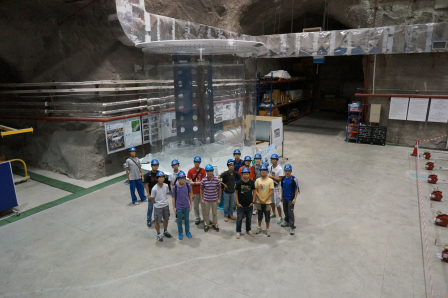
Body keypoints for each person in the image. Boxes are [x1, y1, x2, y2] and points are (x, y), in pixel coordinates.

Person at [150, 171, 172, 242]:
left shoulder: (166, 186)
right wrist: (157, 203)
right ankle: (158, 234)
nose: (161, 179)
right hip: (158, 207)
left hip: (166, 205)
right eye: (160, 178)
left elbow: (166, 193)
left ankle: (165, 231)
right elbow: (152, 198)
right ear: (157, 179)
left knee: (166, 219)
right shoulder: (154, 189)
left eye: (162, 177)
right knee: (157, 221)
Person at [235, 167, 256, 239]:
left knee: (249, 218)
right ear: (242, 175)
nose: (246, 175)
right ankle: (238, 231)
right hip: (241, 205)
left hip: (249, 204)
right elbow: (236, 193)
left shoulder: (251, 182)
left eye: (247, 174)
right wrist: (237, 202)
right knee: (239, 218)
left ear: (249, 174)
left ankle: (248, 230)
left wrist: (253, 201)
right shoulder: (238, 183)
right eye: (244, 174)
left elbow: (254, 192)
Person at [172, 171, 193, 240]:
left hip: (186, 206)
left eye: (183, 178)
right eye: (180, 179)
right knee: (179, 221)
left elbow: (190, 194)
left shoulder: (188, 185)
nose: (182, 180)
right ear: (178, 179)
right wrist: (174, 207)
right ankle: (180, 232)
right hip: (179, 207)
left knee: (187, 220)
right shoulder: (175, 187)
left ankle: (187, 232)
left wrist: (191, 204)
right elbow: (173, 197)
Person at [254, 164, 274, 237]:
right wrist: (260, 198)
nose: (263, 171)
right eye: (262, 170)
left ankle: (267, 229)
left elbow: (271, 191)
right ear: (260, 171)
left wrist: (265, 199)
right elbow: (255, 190)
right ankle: (259, 227)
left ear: (266, 171)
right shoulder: (257, 180)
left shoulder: (270, 180)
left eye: (264, 170)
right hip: (259, 202)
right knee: (259, 215)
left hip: (267, 202)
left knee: (267, 216)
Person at [201, 164, 221, 232]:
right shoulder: (204, 180)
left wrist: (219, 198)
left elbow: (219, 189)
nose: (209, 173)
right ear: (206, 172)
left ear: (213, 171)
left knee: (214, 213)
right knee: (206, 213)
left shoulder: (216, 180)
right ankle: (207, 224)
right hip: (206, 200)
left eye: (210, 171)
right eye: (208, 171)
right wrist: (202, 198)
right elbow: (201, 189)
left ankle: (215, 224)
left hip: (215, 199)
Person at [280, 164, 299, 235]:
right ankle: (287, 221)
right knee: (285, 210)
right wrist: (281, 196)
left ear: (291, 171)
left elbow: (296, 189)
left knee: (290, 212)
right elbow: (282, 188)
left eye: (288, 171)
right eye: (286, 171)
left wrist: (295, 199)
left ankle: (292, 227)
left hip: (291, 199)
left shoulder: (293, 179)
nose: (287, 172)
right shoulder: (283, 179)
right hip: (284, 198)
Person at [187, 156, 206, 225]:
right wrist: (191, 193)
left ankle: (205, 218)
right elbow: (190, 183)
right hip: (194, 192)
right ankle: (197, 218)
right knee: (196, 206)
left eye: (198, 162)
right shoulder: (190, 171)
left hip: (202, 191)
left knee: (203, 206)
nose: (197, 164)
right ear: (194, 162)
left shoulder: (203, 170)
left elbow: (203, 181)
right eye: (196, 162)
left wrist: (194, 183)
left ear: (200, 163)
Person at [144, 159, 161, 227]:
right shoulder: (148, 174)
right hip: (151, 194)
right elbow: (147, 185)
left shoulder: (159, 173)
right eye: (154, 165)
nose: (155, 167)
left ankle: (158, 218)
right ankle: (149, 220)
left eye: (156, 165)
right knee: (150, 208)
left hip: (159, 194)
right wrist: (148, 194)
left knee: (159, 207)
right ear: (151, 166)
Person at [269, 153, 284, 224]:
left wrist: (272, 177)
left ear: (277, 160)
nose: (273, 161)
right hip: (271, 187)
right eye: (272, 159)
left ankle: (280, 216)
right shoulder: (270, 167)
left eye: (274, 160)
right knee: (272, 201)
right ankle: (274, 213)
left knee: (278, 203)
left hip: (277, 188)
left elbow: (280, 179)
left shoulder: (280, 169)